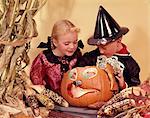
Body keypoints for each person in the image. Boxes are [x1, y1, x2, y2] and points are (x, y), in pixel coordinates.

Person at [77, 6, 141, 90]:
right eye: (98, 47)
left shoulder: (131, 65)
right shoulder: (92, 56)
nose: (100, 51)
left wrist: (122, 84)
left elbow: (135, 87)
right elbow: (80, 67)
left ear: (118, 41)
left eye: (104, 47)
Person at [30, 19, 83, 94]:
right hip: (50, 97)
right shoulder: (44, 58)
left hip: (72, 96)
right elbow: (36, 80)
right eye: (67, 43)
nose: (72, 46)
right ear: (55, 42)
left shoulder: (76, 56)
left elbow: (81, 76)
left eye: (75, 42)